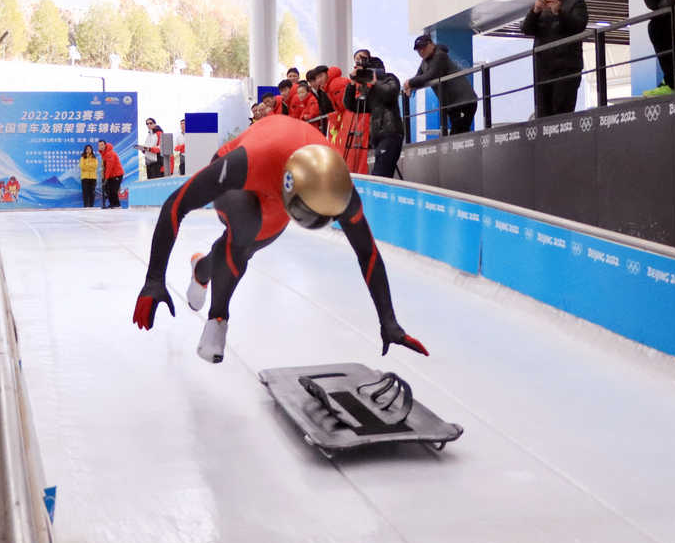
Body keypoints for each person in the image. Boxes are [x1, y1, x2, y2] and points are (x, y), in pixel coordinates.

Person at [131, 114, 428, 364]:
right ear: (290, 189)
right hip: (255, 171)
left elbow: (367, 252)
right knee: (243, 229)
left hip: (279, 191)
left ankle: (201, 271)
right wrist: (154, 278)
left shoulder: (340, 189)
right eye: (304, 214)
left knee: (243, 248)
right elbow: (177, 204)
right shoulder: (249, 161)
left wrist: (388, 320)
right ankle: (217, 318)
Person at [519, 0, 589, 116]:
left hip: (566, 67)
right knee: (543, 113)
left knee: (562, 111)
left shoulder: (576, 2)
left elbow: (578, 27)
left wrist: (559, 12)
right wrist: (534, 12)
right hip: (542, 68)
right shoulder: (538, 7)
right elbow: (526, 29)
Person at [344, 56, 405, 178]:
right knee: (382, 173)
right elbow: (351, 105)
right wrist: (352, 83)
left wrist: (375, 82)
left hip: (391, 133)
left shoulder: (390, 78)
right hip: (378, 137)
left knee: (380, 174)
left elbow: (390, 94)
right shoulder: (371, 92)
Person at [405, 35, 477, 135]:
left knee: (458, 137)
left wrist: (409, 82)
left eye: (423, 47)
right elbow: (418, 77)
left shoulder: (440, 55)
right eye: (418, 50)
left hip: (464, 102)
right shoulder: (425, 62)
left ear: (432, 44)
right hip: (453, 105)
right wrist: (411, 85)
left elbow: (431, 75)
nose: (421, 51)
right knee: (458, 137)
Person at [99, 139, 124, 207]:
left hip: (116, 174)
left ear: (105, 145)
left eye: (102, 145)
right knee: (108, 190)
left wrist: (106, 178)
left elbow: (110, 167)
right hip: (110, 175)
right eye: (99, 145)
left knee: (113, 190)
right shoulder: (104, 154)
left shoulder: (110, 153)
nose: (100, 147)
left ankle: (116, 204)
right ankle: (112, 204)